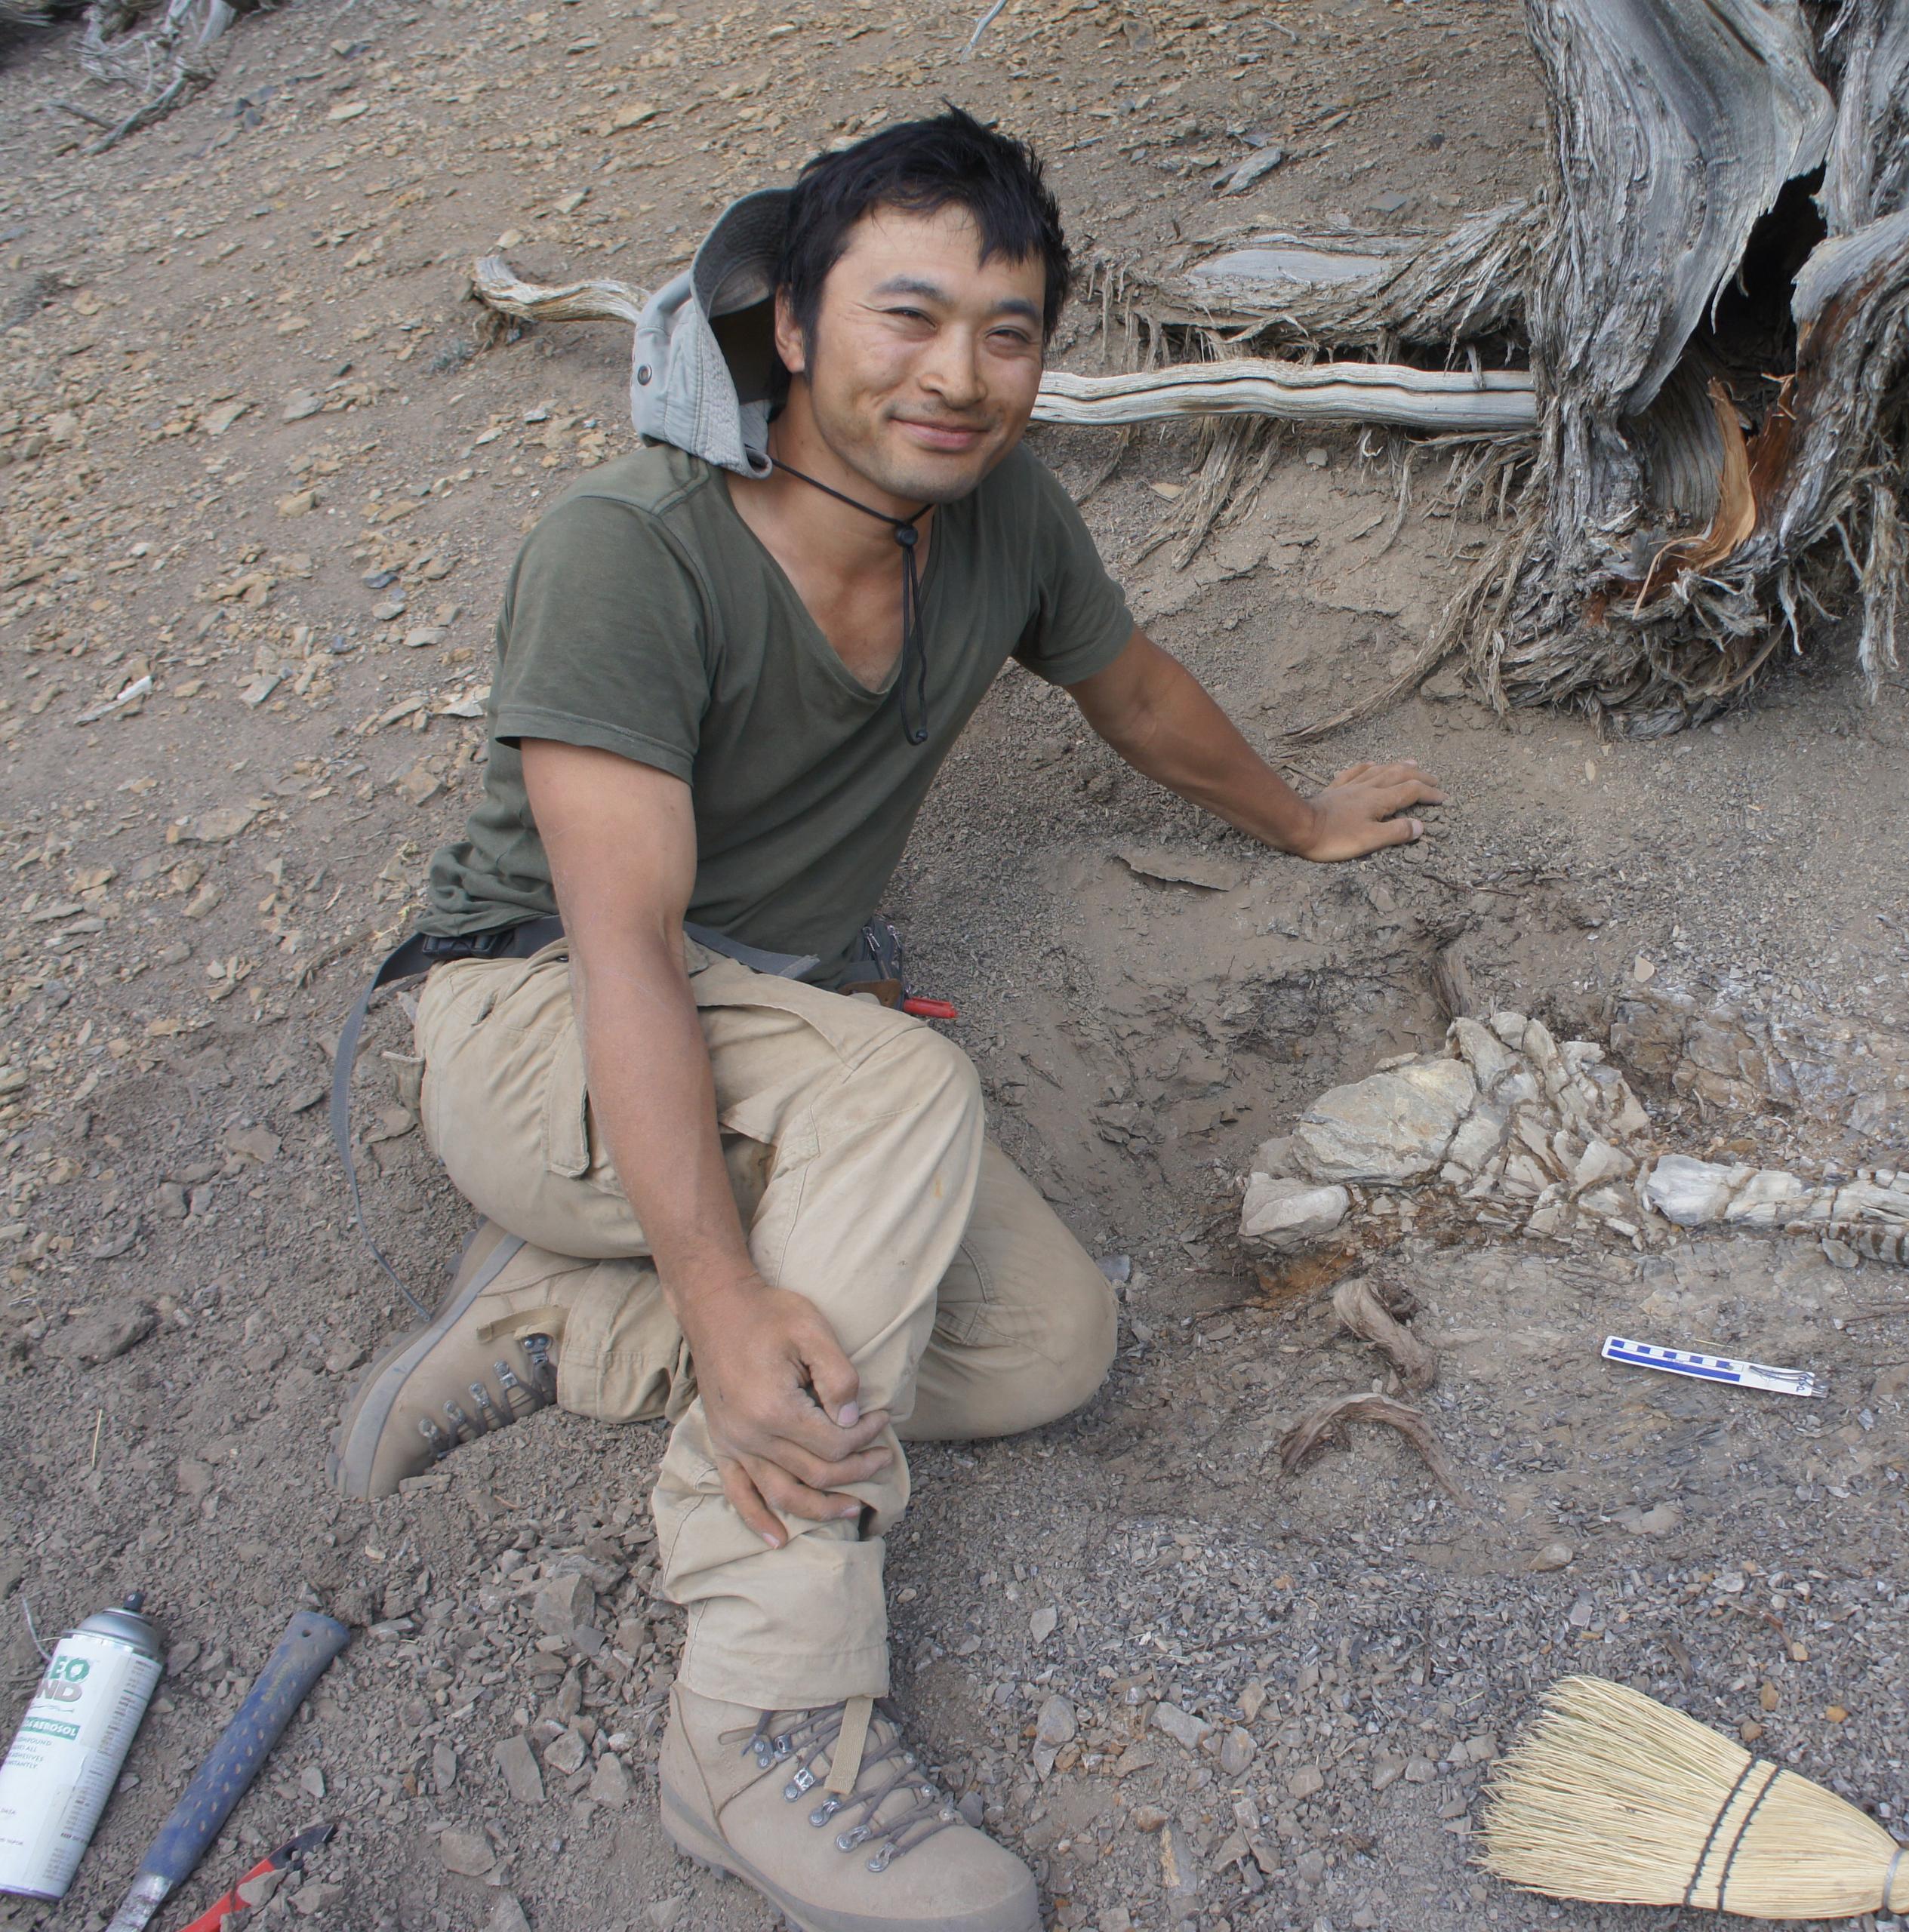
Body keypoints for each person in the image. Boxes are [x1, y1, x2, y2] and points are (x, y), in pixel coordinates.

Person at [326, 109, 1443, 1932]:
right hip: (533, 1020)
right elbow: (624, 951)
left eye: (1007, 331)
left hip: (771, 1040)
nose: (960, 373)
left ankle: (561, 1324)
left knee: (1049, 1342)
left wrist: (1301, 813)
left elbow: (1137, 692)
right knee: (903, 1083)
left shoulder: (996, 517)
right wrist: (724, 1287)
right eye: (907, 316)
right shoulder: (633, 548)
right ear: (793, 324)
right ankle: (763, 1717)